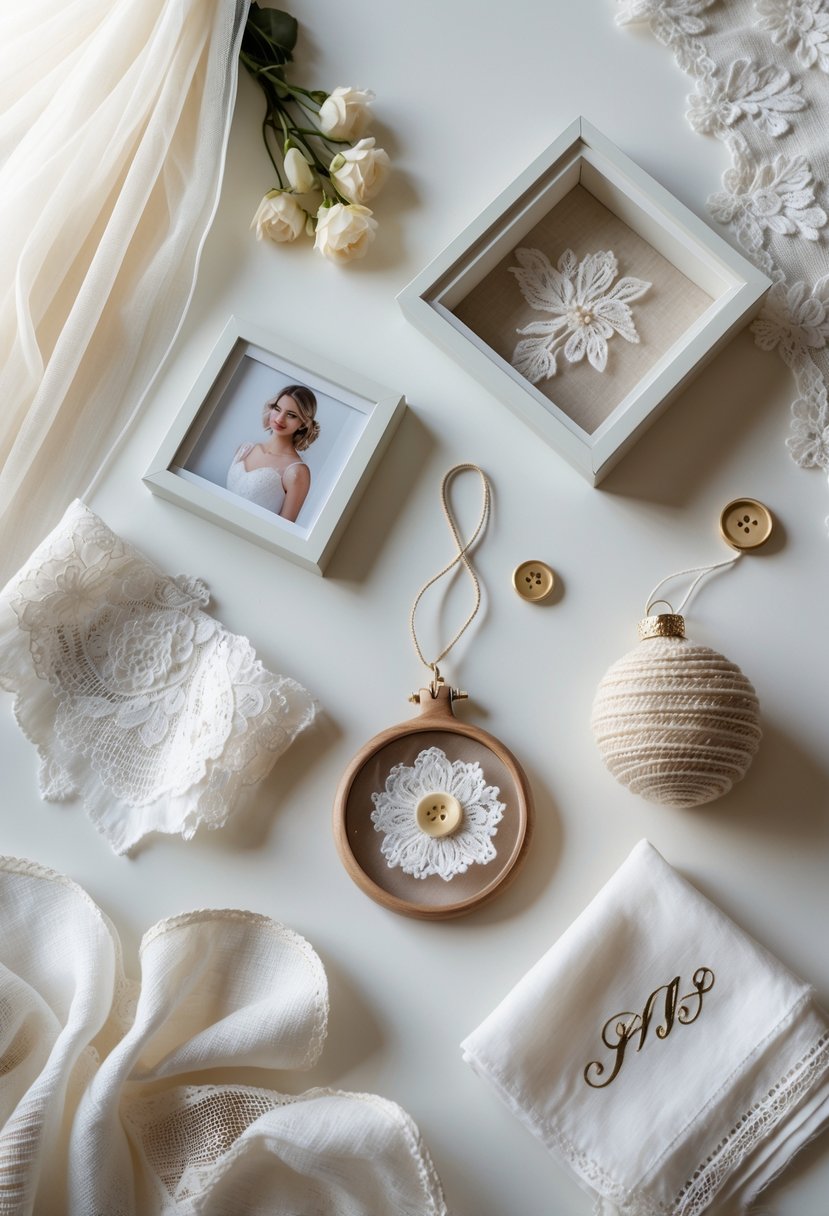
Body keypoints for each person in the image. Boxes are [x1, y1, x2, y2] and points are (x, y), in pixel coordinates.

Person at [226, 385, 320, 522]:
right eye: (277, 409)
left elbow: (283, 529)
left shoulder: (297, 472)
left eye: (291, 415)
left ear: (303, 423)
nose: (279, 419)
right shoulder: (245, 449)